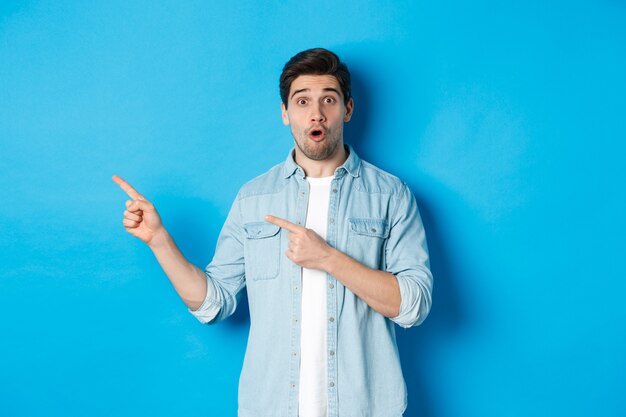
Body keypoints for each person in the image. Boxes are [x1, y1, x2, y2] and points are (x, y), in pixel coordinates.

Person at [113, 48, 433, 417]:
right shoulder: (254, 198)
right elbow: (213, 304)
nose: (316, 113)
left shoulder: (390, 195)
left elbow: (413, 305)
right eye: (302, 101)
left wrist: (327, 257)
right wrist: (159, 241)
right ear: (285, 113)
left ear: (347, 109)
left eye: (328, 99)